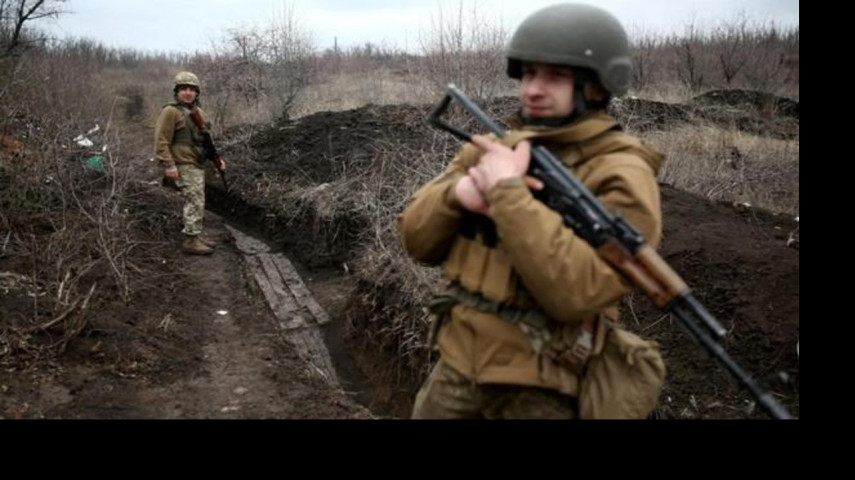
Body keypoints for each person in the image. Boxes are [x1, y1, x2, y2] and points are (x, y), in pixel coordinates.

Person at [399, 3, 666, 419]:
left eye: (555, 76)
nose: (532, 89)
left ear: (597, 87)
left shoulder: (621, 173)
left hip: (542, 388)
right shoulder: (493, 148)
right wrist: (460, 194)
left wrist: (508, 194)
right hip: (455, 369)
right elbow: (416, 241)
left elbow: (578, 294)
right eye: (528, 73)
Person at [154, 71, 226, 255]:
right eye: (183, 89)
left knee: (198, 200)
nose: (188, 92)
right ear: (176, 92)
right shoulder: (171, 111)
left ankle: (195, 236)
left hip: (196, 162)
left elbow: (204, 141)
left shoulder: (197, 112)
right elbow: (161, 140)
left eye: (192, 89)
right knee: (194, 200)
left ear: (197, 93)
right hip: (183, 163)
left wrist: (217, 160)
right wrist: (169, 165)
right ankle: (190, 240)